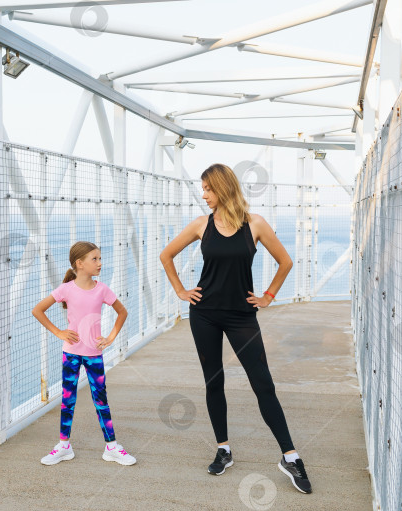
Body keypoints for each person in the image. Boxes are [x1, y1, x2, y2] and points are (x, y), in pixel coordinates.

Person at [159, 163, 311, 494]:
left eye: (208, 189)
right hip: (204, 314)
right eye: (202, 189)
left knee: (263, 384)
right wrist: (181, 291)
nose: (204, 195)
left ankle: (290, 456)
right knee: (214, 382)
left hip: (241, 315)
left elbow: (285, 262)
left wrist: (268, 296)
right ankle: (223, 449)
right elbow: (166, 254)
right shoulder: (202, 225)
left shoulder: (255, 224)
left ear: (223, 188)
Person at [32, 241, 136, 466]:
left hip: (93, 355)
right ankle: (63, 446)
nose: (100, 263)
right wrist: (59, 332)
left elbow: (122, 312)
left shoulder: (102, 289)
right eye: (95, 259)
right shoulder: (66, 289)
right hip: (71, 353)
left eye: (100, 258)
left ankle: (111, 447)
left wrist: (110, 338)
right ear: (79, 264)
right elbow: (38, 310)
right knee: (67, 401)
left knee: (101, 400)